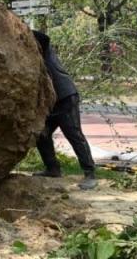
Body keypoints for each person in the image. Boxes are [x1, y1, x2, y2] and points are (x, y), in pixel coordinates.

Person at [32, 30, 98, 190]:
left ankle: (90, 174)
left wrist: (24, 30)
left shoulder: (45, 49)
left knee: (73, 133)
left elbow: (44, 38)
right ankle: (53, 168)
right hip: (52, 102)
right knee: (42, 133)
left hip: (66, 97)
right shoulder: (31, 59)